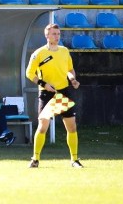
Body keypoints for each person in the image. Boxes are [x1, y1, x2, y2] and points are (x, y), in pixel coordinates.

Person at [26, 23, 83, 168]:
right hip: (47, 94)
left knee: (71, 127)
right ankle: (35, 159)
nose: (56, 36)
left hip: (63, 92)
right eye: (53, 34)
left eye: (58, 34)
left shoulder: (64, 51)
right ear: (47, 35)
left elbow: (69, 69)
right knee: (43, 125)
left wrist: (72, 79)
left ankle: (74, 160)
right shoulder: (39, 53)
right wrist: (44, 84)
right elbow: (29, 73)